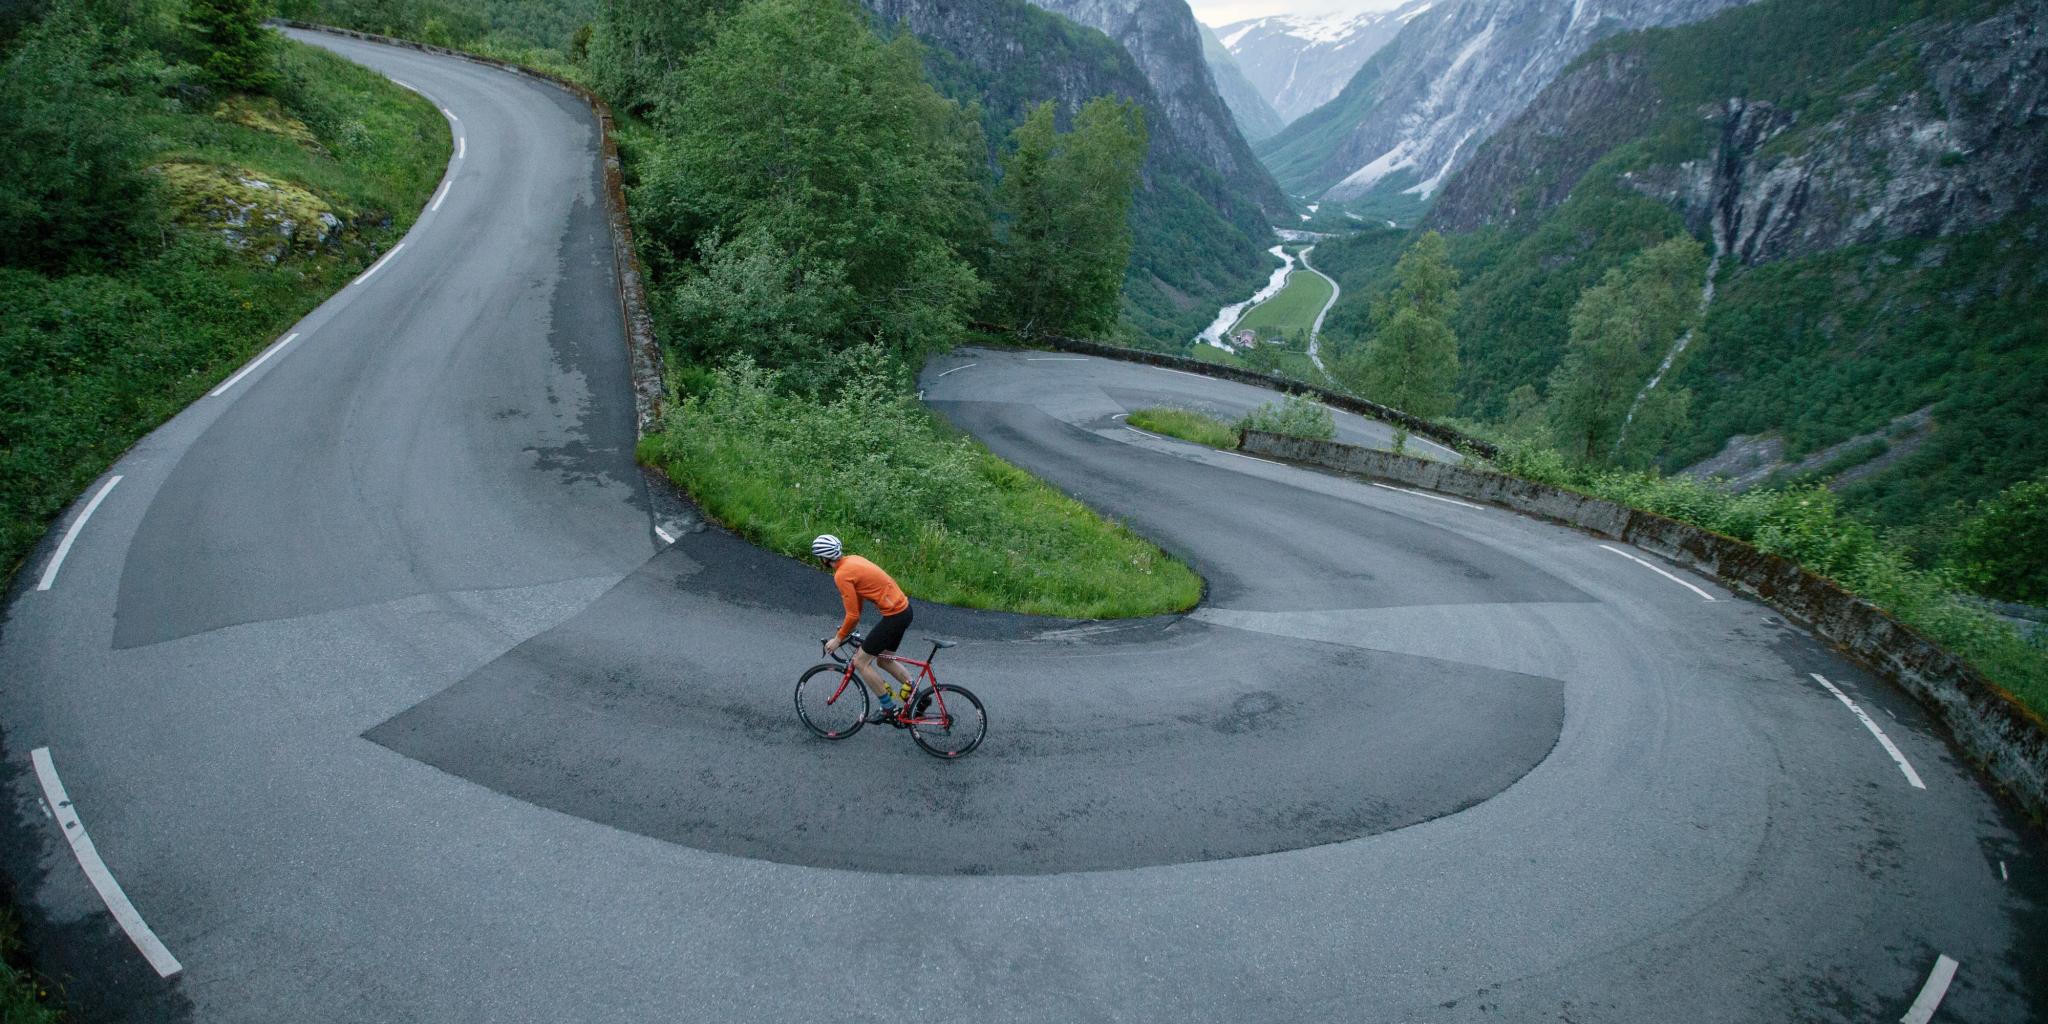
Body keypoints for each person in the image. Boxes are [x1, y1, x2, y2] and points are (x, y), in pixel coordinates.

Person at [813, 534, 917, 724]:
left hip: (894, 615)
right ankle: (918, 696)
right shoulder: (852, 560)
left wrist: (838, 638)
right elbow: (857, 604)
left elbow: (853, 615)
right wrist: (849, 629)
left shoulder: (841, 575)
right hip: (904, 610)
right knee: (884, 660)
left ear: (824, 558)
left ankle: (888, 708)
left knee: (860, 661)